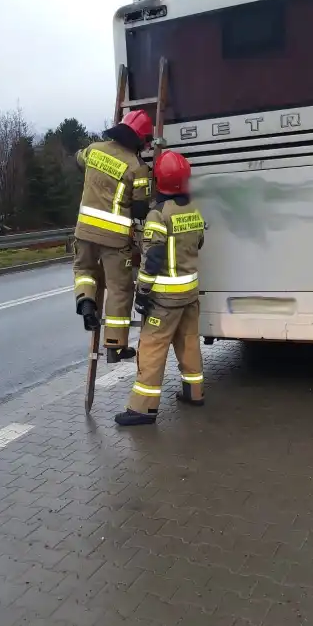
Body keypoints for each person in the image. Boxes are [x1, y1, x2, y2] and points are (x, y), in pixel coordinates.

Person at [115, 150, 205, 426]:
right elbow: (199, 242)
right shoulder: (193, 210)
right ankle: (194, 392)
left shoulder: (158, 214)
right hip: (189, 294)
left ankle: (143, 409)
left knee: (152, 349)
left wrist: (142, 294)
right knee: (189, 344)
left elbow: (152, 259)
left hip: (164, 300)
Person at [73, 110, 152, 363]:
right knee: (119, 289)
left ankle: (86, 302)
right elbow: (140, 209)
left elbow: (78, 159)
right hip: (115, 239)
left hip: (84, 231)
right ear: (139, 140)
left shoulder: (93, 150)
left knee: (84, 271)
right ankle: (114, 345)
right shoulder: (137, 168)